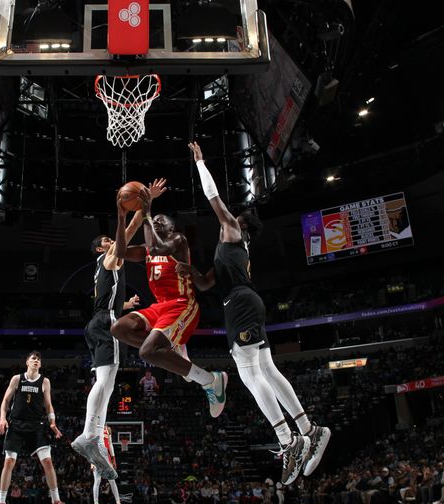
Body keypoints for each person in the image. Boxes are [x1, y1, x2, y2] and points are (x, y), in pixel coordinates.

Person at [176, 142, 331, 486]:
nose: (225, 218)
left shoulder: (233, 231)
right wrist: (189, 270)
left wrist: (201, 164)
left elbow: (213, 198)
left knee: (249, 376)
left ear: (240, 224)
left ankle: (288, 442)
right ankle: (309, 429)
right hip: (246, 302)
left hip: (240, 305)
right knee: (268, 370)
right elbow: (204, 284)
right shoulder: (230, 251)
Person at [72, 180, 165, 479]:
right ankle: (88, 434)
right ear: (101, 248)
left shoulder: (104, 268)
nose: (114, 243)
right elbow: (129, 231)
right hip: (105, 324)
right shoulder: (109, 258)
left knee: (108, 382)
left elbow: (104, 301)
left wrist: (125, 306)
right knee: (107, 380)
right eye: (108, 241)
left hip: (99, 320)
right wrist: (145, 203)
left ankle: (94, 439)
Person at [111, 185, 228, 417]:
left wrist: (146, 211)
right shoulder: (146, 248)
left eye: (161, 221)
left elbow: (156, 247)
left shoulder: (178, 240)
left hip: (183, 304)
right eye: (154, 221)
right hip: (160, 305)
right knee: (118, 328)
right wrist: (121, 216)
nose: (156, 222)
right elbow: (120, 252)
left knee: (147, 352)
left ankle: (209, 380)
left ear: (172, 227)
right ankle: (177, 351)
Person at [0, 351, 70, 504]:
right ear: (27, 362)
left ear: (40, 365)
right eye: (33, 358)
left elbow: (48, 405)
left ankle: (56, 502)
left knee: (48, 462)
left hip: (37, 426)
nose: (36, 360)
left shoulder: (45, 381)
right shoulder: (17, 379)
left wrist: (53, 423)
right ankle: (1, 503)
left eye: (38, 359)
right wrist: (2, 419)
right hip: (16, 424)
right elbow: (6, 401)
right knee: (9, 462)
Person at [90, 426, 124, 504]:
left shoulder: (107, 429)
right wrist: (91, 461)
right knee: (97, 481)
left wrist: (113, 458)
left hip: (106, 457)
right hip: (96, 457)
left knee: (112, 481)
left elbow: (110, 444)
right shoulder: (93, 427)